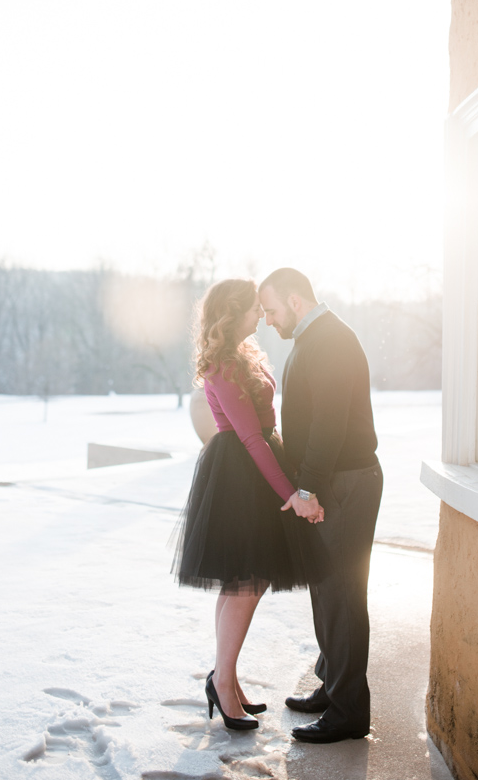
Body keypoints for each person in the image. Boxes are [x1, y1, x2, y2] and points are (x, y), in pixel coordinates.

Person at [173, 278, 326, 733]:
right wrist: (291, 496)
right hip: (242, 478)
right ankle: (222, 683)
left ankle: (225, 678)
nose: (261, 315)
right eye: (253, 310)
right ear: (233, 313)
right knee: (245, 581)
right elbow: (251, 440)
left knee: (245, 582)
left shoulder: (241, 356)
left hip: (252, 472)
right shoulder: (223, 365)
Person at [258, 268, 383, 744]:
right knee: (326, 589)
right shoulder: (316, 338)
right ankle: (333, 686)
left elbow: (329, 424)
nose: (268, 321)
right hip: (336, 481)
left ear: (294, 301)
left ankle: (349, 711)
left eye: (270, 311)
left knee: (342, 594)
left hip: (346, 482)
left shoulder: (329, 340)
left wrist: (306, 489)